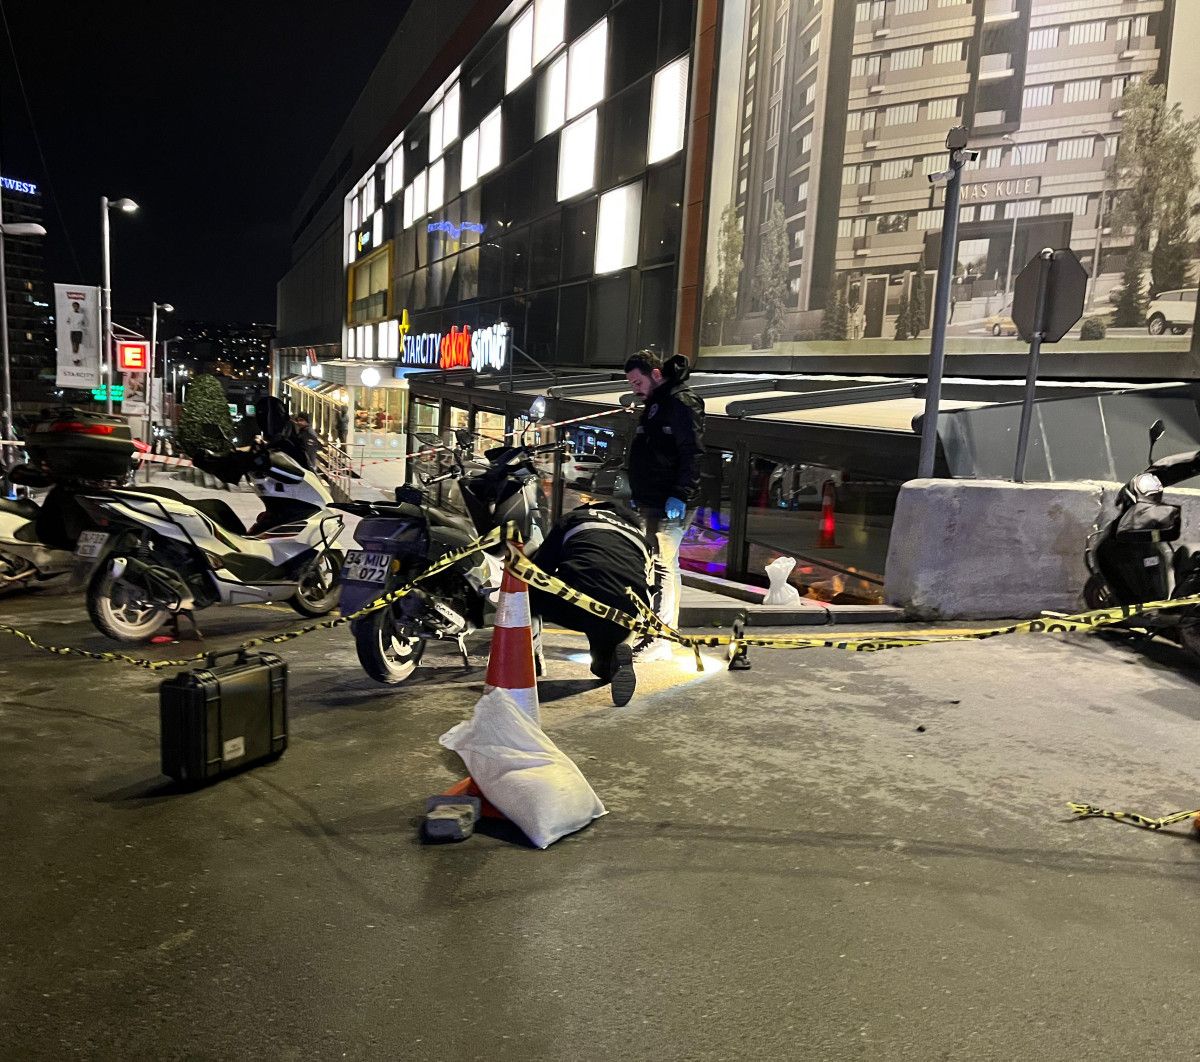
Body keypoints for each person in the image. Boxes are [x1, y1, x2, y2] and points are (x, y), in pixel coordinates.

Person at [623, 349, 705, 660]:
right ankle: (660, 633)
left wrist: (681, 493)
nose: (635, 387)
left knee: (662, 566)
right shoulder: (659, 403)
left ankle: (660, 637)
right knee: (661, 565)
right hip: (654, 499)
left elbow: (692, 452)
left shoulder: (680, 402)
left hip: (668, 501)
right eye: (631, 382)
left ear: (655, 374)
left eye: (637, 381)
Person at [528, 501, 651, 707]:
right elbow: (647, 587)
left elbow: (541, 568)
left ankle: (530, 658)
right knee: (601, 668)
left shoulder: (573, 519)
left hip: (579, 601)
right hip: (625, 612)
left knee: (526, 589)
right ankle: (618, 655)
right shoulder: (640, 538)